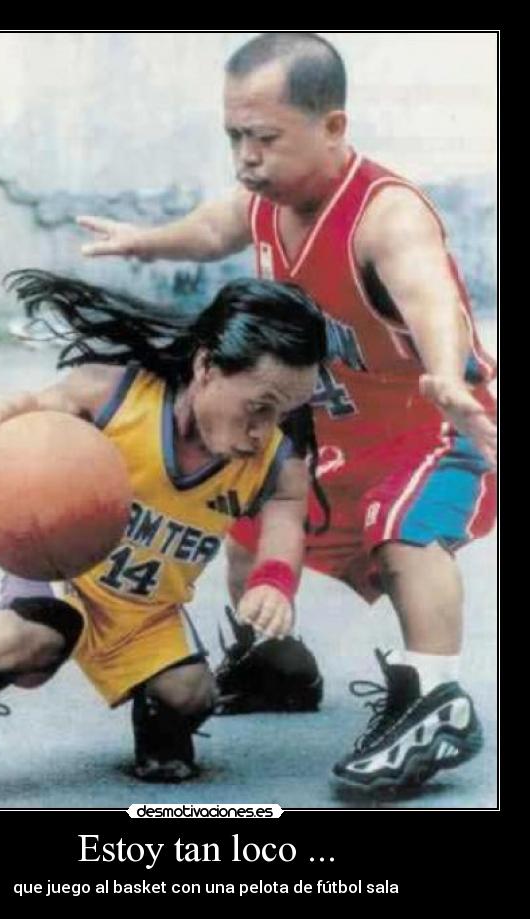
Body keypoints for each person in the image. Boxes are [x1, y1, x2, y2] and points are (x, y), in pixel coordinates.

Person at [76, 32, 497, 788]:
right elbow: (211, 229)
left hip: (434, 424)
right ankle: (278, 668)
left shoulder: (384, 214)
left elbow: (431, 291)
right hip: (332, 430)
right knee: (249, 527)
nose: (245, 157)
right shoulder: (267, 202)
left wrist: (443, 372)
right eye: (234, 136)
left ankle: (434, 699)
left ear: (332, 126)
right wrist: (144, 242)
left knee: (403, 531)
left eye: (263, 138)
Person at [0, 272, 327, 783]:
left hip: (144, 610)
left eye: (284, 413)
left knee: (191, 693)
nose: (265, 429)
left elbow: (287, 513)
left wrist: (274, 582)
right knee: (40, 642)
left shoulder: (274, 462)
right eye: (258, 407)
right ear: (206, 366)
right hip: (65, 577)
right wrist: (9, 414)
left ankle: (156, 728)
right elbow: (40, 411)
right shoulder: (115, 396)